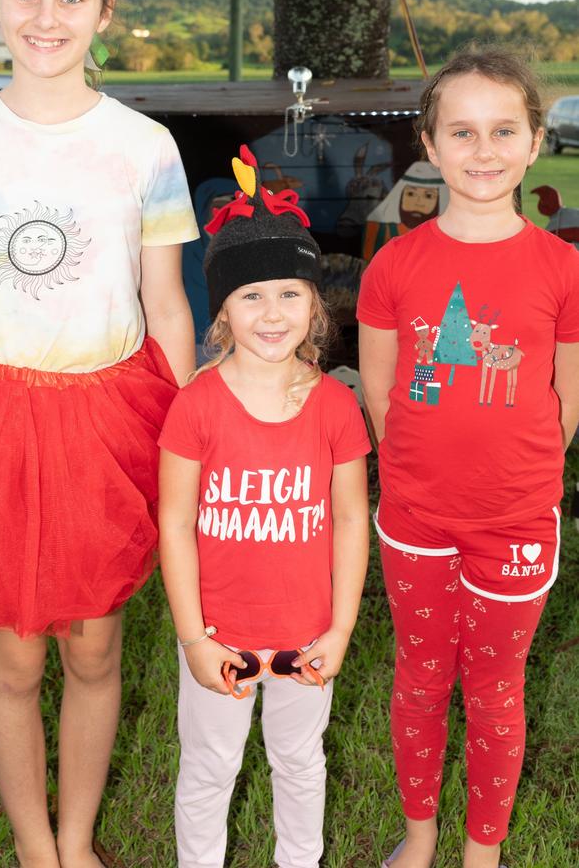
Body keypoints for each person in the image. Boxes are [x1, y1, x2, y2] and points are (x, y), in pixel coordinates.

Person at [0, 0, 198, 868]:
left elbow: (166, 308)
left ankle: (77, 842)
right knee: (13, 659)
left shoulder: (145, 146)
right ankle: (34, 850)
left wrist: (188, 438)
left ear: (105, 13)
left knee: (93, 647)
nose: (48, 16)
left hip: (107, 416)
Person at [357, 48, 579, 868]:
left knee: (494, 692)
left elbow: (566, 401)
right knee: (420, 680)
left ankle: (480, 854)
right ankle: (419, 842)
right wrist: (421, 471)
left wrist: (516, 478)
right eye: (462, 131)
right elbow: (380, 396)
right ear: (429, 141)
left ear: (533, 142)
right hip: (415, 517)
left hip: (517, 520)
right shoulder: (394, 266)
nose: (482, 150)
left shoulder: (562, 268)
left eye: (502, 131)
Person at [158, 145, 371, 868]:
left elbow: (348, 520)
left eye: (290, 292)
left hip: (306, 637)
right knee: (211, 769)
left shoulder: (337, 405)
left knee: (300, 763)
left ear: (315, 302)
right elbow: (175, 524)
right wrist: (194, 638)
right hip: (221, 634)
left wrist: (340, 628)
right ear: (221, 307)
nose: (272, 312)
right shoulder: (195, 404)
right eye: (251, 295)